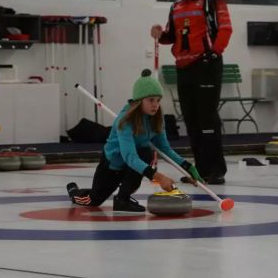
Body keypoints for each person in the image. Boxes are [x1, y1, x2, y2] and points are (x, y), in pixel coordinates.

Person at [66, 70, 203, 211]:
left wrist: (187, 167)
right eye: (150, 100)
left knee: (146, 152)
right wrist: (159, 177)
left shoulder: (157, 119)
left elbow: (165, 149)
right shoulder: (125, 121)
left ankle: (122, 199)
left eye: (158, 100)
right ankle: (74, 192)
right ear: (139, 100)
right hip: (113, 165)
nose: (155, 105)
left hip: (134, 163)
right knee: (93, 200)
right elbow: (129, 157)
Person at [150, 0, 232, 185]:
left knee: (207, 118)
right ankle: (200, 169)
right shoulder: (176, 5)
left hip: (206, 65)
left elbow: (225, 29)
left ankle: (216, 170)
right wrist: (160, 34)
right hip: (183, 67)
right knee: (191, 119)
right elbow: (172, 35)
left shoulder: (213, 0)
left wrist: (214, 53)